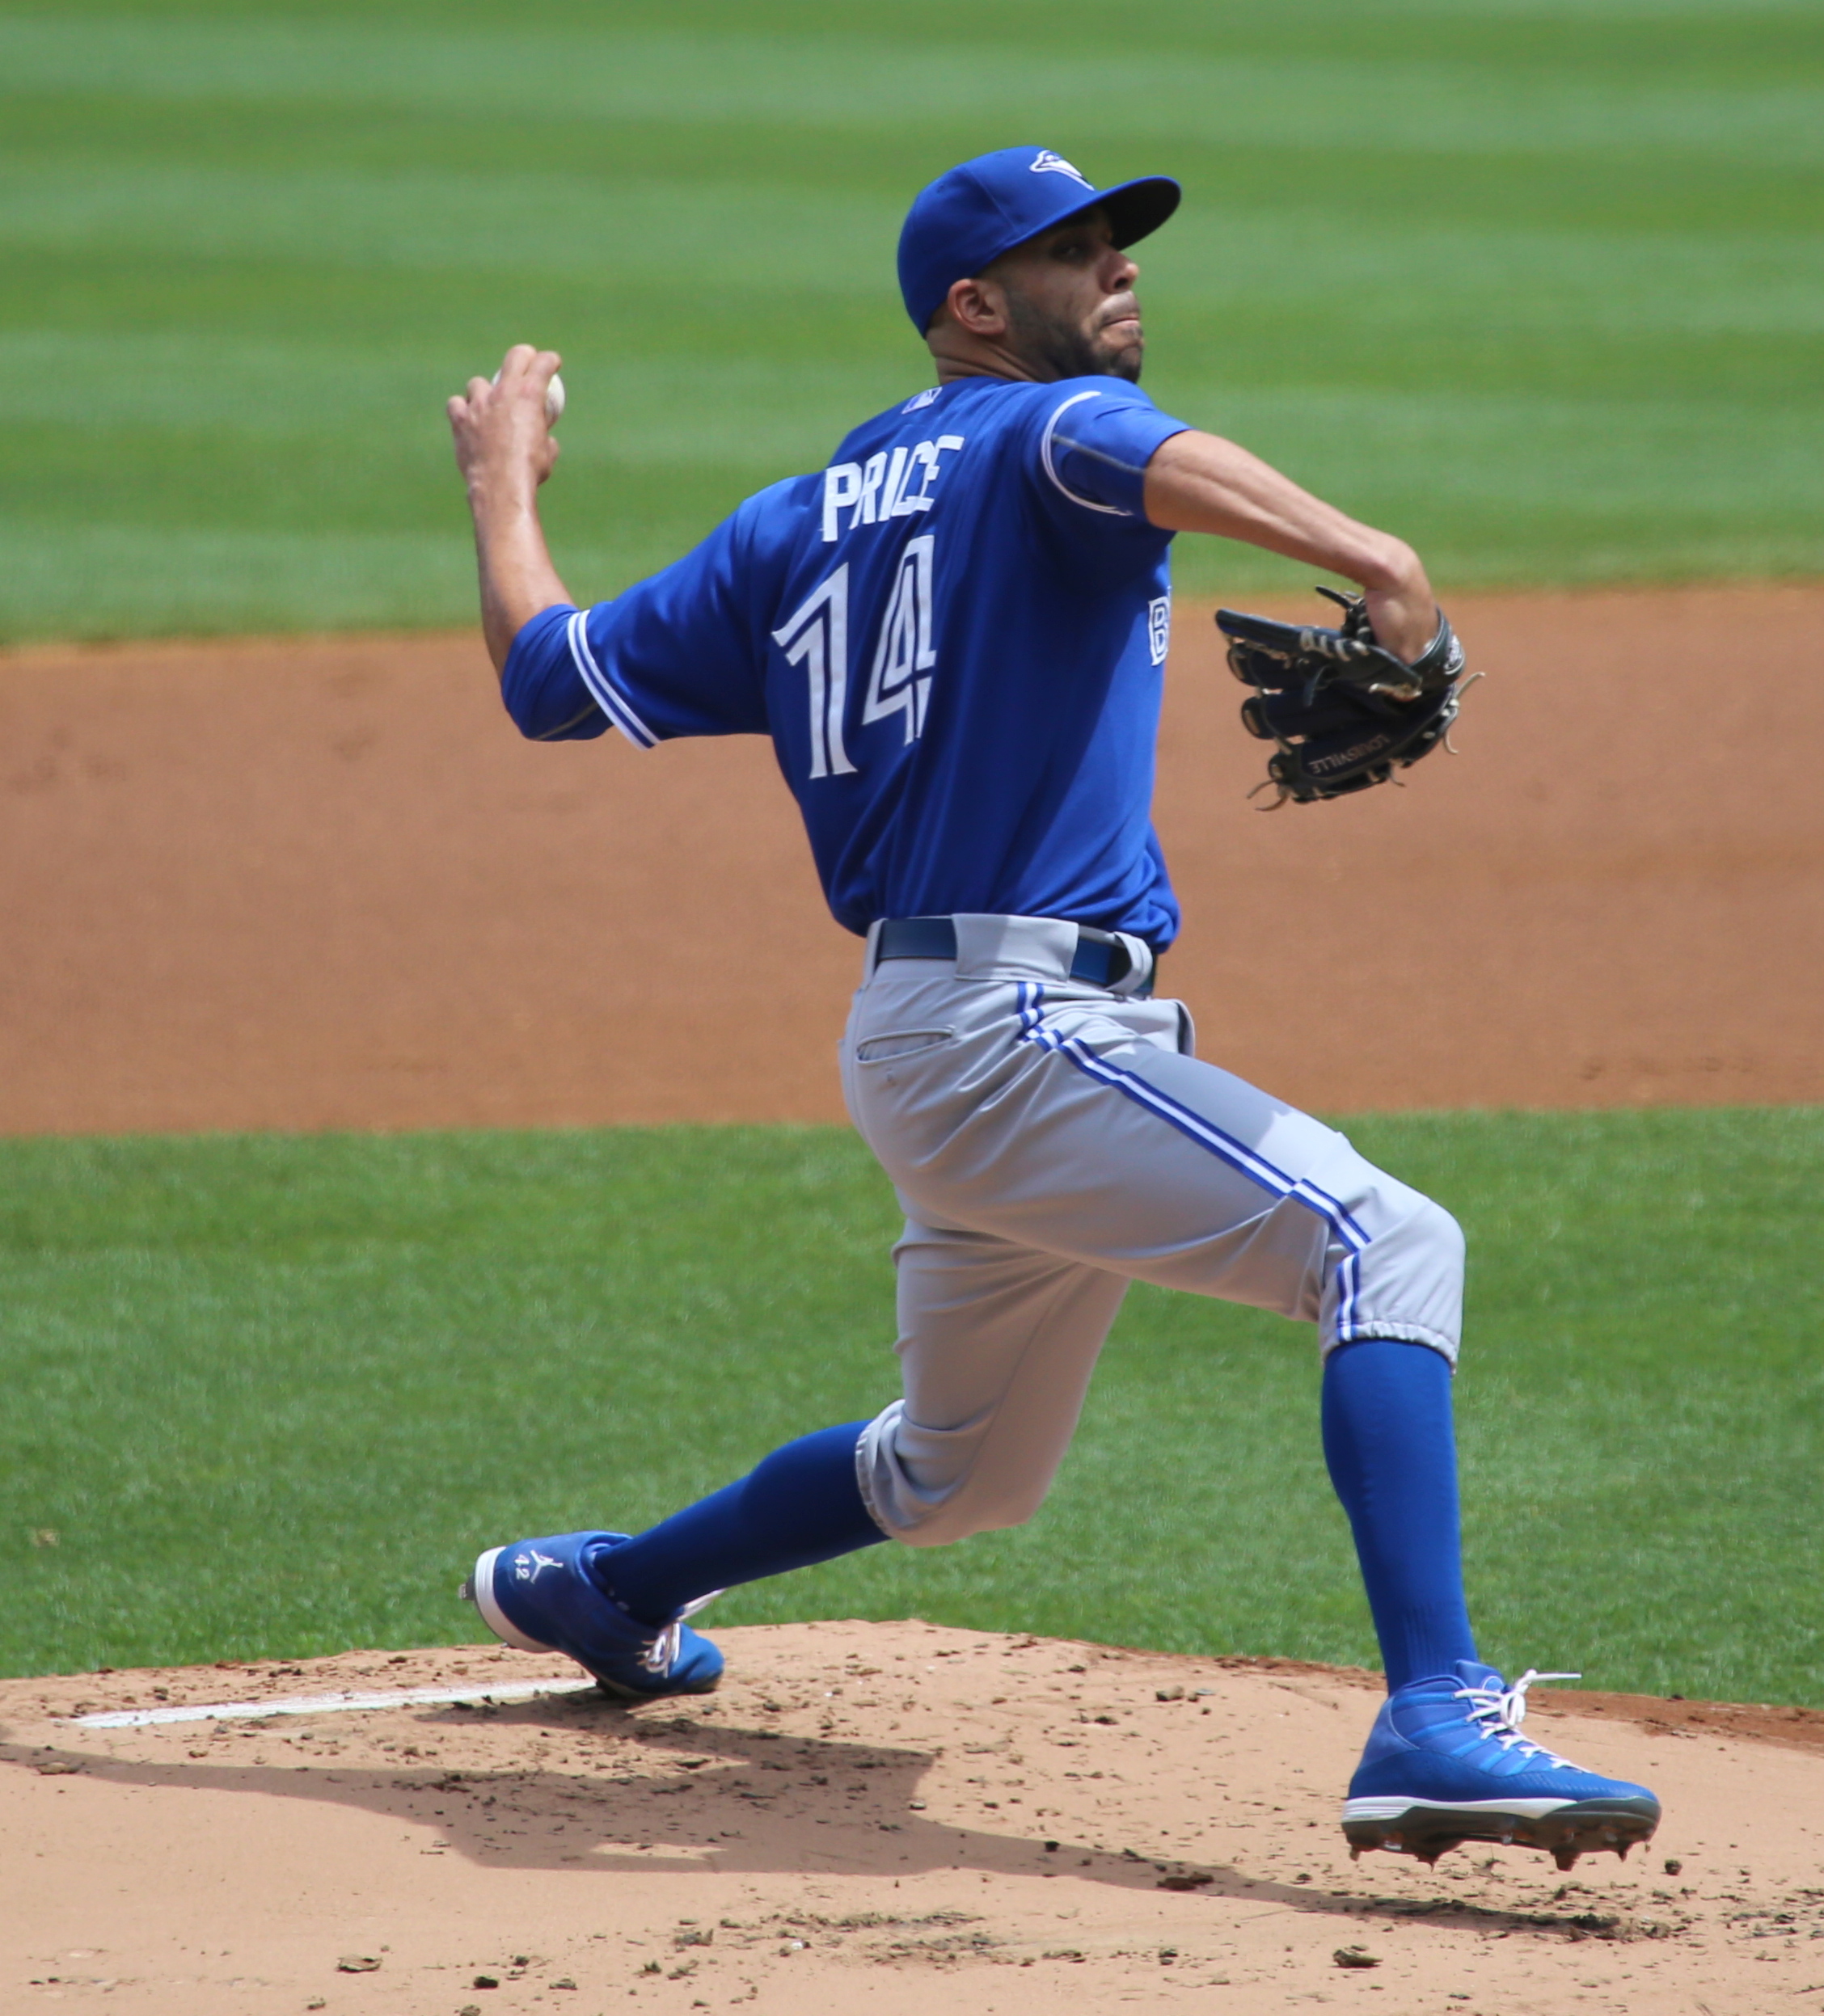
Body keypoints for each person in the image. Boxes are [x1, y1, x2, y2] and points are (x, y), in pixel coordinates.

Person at [445, 146, 1658, 1870]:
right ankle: (1435, 1714)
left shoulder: (787, 527)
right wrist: (1374, 554)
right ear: (973, 306)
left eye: (1119, 245)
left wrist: (504, 481)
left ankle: (605, 1587)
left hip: (925, 1043)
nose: (1119, 274)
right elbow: (1115, 448)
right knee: (1386, 1244)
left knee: (962, 1473)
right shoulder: (1040, 435)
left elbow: (545, 679)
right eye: (1076, 252)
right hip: (1021, 1035)